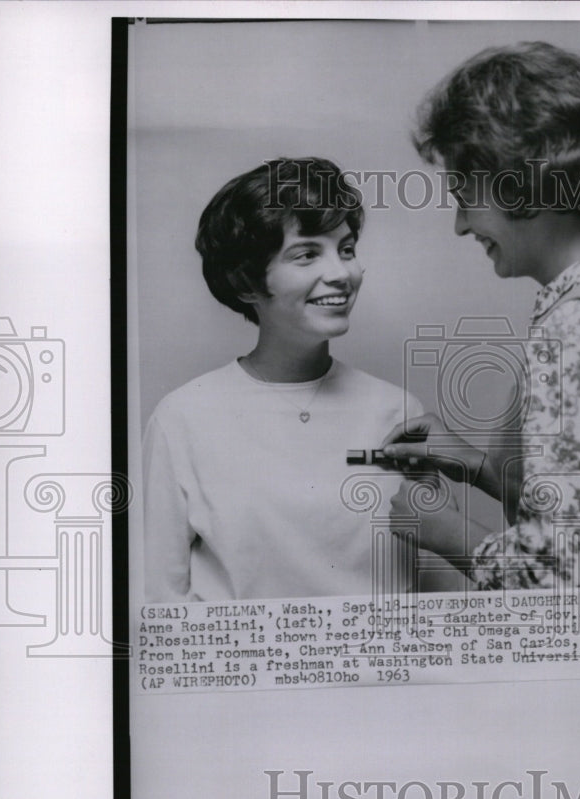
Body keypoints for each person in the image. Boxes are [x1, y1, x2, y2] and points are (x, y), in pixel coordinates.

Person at [383, 41, 580, 589]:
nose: (459, 226)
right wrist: (477, 466)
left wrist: (445, 529)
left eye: (464, 196)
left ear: (519, 184)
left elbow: (565, 580)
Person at [143, 157, 421, 601]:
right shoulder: (182, 419)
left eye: (346, 249)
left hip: (377, 668)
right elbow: (160, 600)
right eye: (307, 254)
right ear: (245, 282)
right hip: (236, 668)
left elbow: (417, 584)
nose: (342, 273)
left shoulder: (398, 412)